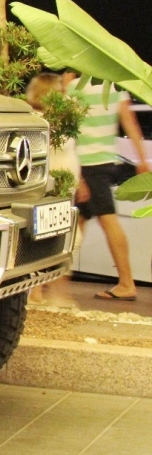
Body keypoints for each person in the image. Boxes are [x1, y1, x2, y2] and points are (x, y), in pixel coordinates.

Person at [65, 71, 150, 300]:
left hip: (85, 164)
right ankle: (53, 287)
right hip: (105, 162)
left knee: (100, 221)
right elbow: (130, 124)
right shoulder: (114, 86)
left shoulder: (74, 87)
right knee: (77, 226)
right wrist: (142, 160)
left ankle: (126, 282)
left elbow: (67, 128)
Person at [25, 72, 86, 305]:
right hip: (49, 187)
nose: (65, 93)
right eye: (60, 89)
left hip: (66, 188)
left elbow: (71, 151)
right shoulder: (37, 119)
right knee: (56, 237)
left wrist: (80, 182)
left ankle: (50, 292)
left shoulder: (62, 117)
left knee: (67, 238)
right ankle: (42, 292)